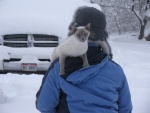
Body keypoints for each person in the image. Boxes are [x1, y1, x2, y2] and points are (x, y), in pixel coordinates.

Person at [36, 6, 132, 113]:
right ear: (102, 36)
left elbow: (44, 106)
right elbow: (126, 109)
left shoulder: (59, 66)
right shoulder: (116, 70)